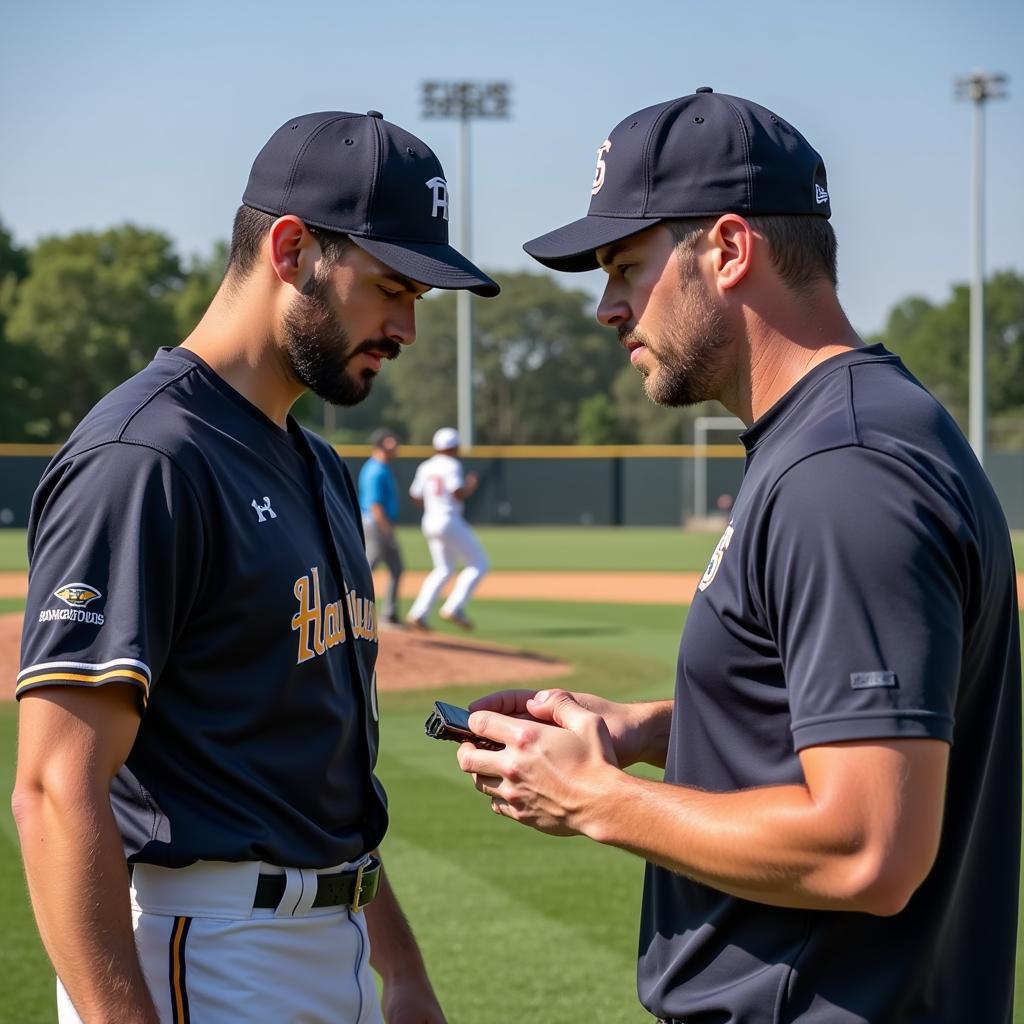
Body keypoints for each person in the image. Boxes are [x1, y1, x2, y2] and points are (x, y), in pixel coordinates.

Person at [455, 88, 1021, 1023]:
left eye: (625, 267)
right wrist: (651, 728)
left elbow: (868, 847)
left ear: (726, 249)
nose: (607, 307)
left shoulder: (845, 473)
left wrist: (597, 799)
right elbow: (841, 710)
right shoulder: (852, 433)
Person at [11, 109, 499, 1024]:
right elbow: (53, 786)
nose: (407, 329)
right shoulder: (146, 457)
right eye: (391, 287)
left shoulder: (312, 461)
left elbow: (307, 765)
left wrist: (404, 969)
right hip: (203, 952)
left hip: (329, 944)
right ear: (290, 249)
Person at [405, 427, 488, 630]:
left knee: (443, 569)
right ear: (453, 447)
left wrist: (433, 501)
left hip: (430, 520)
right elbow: (457, 493)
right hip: (449, 519)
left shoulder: (425, 466)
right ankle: (454, 607)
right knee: (479, 563)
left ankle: (418, 613)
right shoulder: (452, 464)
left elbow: (416, 496)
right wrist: (470, 486)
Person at [359, 428, 404, 626]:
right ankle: (353, 611)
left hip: (378, 523)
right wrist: (386, 530)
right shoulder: (375, 470)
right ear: (380, 445)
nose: (396, 447)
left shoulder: (382, 467)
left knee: (396, 568)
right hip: (376, 523)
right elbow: (374, 505)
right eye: (391, 443)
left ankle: (389, 614)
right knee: (367, 569)